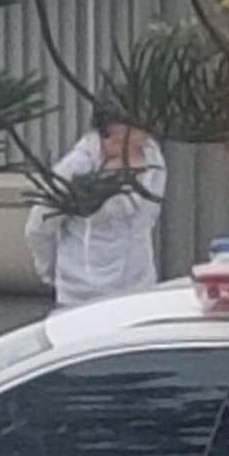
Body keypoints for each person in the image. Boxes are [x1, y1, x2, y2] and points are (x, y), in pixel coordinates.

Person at [24, 109, 166, 308]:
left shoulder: (154, 161)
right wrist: (51, 271)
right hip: (81, 296)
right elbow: (39, 225)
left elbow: (146, 222)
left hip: (137, 290)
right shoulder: (77, 166)